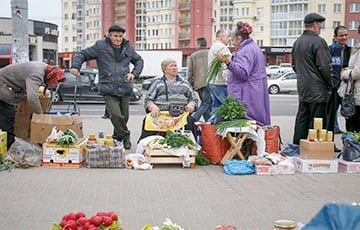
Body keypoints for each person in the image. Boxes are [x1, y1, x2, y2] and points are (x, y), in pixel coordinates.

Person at [70, 25, 144, 150]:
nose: (118, 39)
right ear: (109, 35)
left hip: (125, 86)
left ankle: (117, 138)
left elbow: (139, 61)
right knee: (115, 115)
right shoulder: (100, 46)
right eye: (115, 36)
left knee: (124, 117)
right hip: (108, 87)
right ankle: (126, 136)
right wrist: (75, 66)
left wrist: (134, 73)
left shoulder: (128, 48)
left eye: (120, 36)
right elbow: (82, 54)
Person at [216, 21, 271, 126]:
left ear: (239, 38)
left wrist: (228, 62)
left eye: (232, 37)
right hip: (252, 92)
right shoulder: (251, 47)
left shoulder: (247, 50)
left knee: (246, 127)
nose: (231, 40)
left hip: (247, 95)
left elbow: (243, 73)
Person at [0, 61, 66, 148]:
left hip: (9, 85)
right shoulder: (37, 74)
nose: (53, 85)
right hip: (2, 83)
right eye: (53, 82)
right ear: (51, 76)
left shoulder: (46, 69)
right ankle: (9, 148)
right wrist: (41, 115)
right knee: (8, 116)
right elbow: (32, 98)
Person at [291, 13, 333, 145]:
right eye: (320, 23)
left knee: (302, 120)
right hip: (318, 90)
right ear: (315, 24)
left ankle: (297, 147)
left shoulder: (298, 42)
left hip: (303, 88)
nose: (320, 26)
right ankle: (314, 152)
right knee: (317, 124)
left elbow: (294, 65)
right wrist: (331, 83)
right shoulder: (318, 41)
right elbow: (325, 67)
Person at [138, 58, 198, 141]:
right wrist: (152, 107)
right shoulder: (158, 83)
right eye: (171, 66)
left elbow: (194, 99)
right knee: (148, 119)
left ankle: (191, 144)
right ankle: (145, 145)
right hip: (162, 115)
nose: (174, 68)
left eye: (175, 66)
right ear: (165, 70)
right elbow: (148, 99)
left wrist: (191, 104)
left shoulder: (185, 83)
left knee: (190, 120)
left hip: (180, 115)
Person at [327, 25, 351, 138]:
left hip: (347, 88)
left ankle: (351, 143)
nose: (344, 37)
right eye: (341, 35)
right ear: (335, 37)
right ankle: (329, 143)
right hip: (333, 88)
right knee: (330, 117)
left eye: (346, 35)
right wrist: (333, 82)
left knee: (350, 116)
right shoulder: (329, 50)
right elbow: (326, 67)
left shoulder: (350, 50)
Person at [207, 29, 230, 123]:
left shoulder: (213, 46)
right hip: (219, 82)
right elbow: (225, 67)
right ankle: (207, 127)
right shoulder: (222, 48)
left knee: (216, 107)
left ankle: (208, 130)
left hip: (212, 81)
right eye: (227, 36)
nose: (229, 39)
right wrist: (228, 81)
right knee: (227, 106)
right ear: (221, 37)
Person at [340, 25, 360, 132]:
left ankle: (354, 148)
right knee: (352, 126)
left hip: (358, 95)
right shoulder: (357, 48)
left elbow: (357, 72)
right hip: (354, 94)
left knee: (355, 127)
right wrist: (348, 70)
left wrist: (344, 74)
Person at [187, 37, 212, 121]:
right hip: (211, 82)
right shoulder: (211, 53)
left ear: (199, 44)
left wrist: (189, 83)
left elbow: (190, 71)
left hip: (199, 84)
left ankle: (194, 118)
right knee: (207, 103)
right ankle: (208, 122)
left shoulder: (193, 56)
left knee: (205, 103)